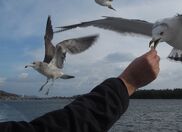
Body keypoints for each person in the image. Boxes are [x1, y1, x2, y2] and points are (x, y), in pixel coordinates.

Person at [0, 48, 160, 132]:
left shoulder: (47, 63)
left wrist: (127, 82)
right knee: (49, 82)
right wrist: (129, 82)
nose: (32, 66)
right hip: (115, 91)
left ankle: (49, 85)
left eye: (34, 64)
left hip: (57, 73)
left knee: (50, 79)